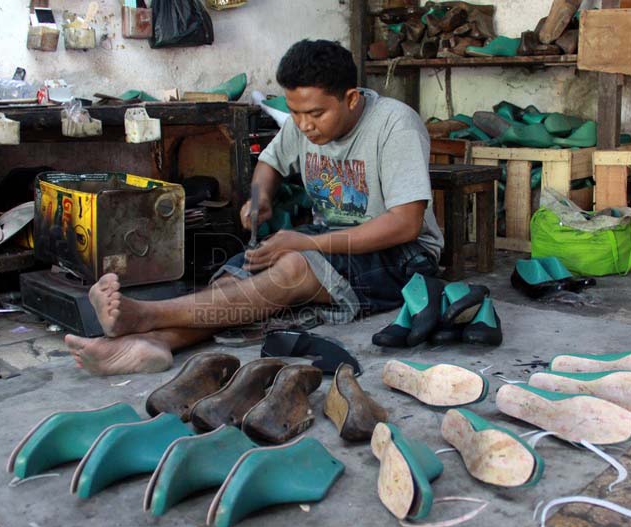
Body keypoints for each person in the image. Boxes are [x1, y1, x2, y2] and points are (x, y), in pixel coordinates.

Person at [64, 39, 443, 375]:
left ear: (351, 98)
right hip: (334, 239)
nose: (304, 125)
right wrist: (259, 198)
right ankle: (160, 342)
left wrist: (304, 245)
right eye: (295, 113)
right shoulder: (302, 122)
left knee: (293, 265)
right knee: (248, 270)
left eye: (315, 114)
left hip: (404, 256)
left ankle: (146, 316)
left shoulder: (395, 124)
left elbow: (406, 223)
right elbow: (271, 163)